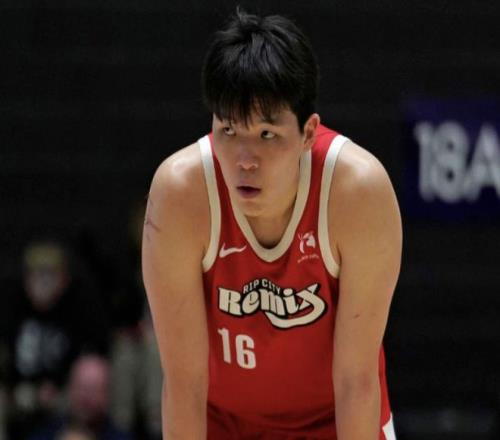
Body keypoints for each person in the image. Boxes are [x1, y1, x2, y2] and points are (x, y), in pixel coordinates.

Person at [142, 8, 402, 440]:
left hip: (334, 420)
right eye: (229, 130)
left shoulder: (357, 191)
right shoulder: (181, 193)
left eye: (266, 135)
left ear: (308, 133)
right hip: (221, 424)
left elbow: (356, 383)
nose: (245, 160)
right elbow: (184, 386)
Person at [30, 354, 133, 440]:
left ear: (107, 394)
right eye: (81, 388)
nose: (86, 398)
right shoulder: (45, 435)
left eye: (94, 390)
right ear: (70, 389)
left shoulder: (122, 438)